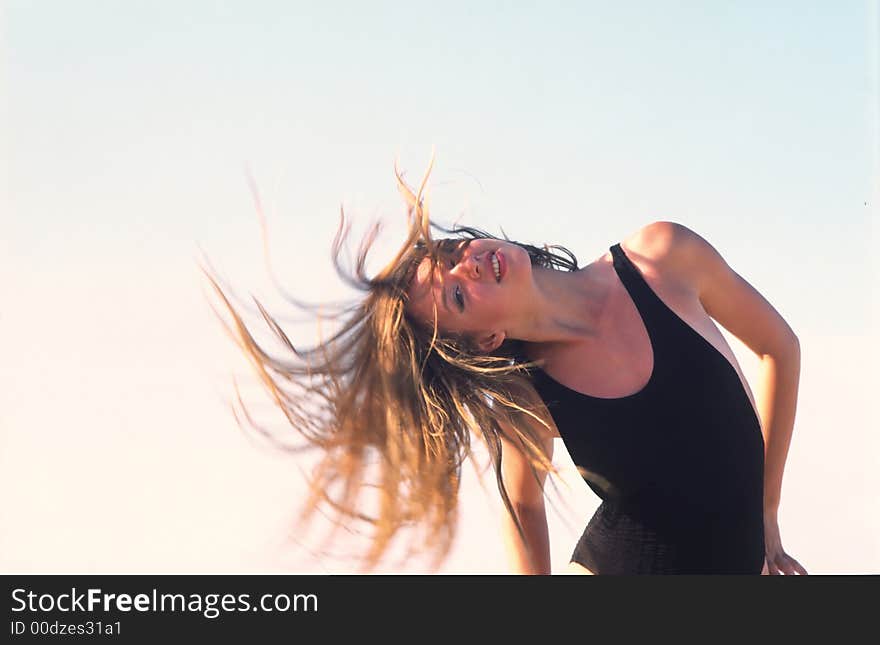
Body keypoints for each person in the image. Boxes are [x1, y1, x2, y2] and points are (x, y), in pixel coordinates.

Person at [204, 155, 807, 575]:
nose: (467, 266)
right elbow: (522, 502)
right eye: (458, 298)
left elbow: (779, 347)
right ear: (488, 338)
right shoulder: (529, 396)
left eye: (450, 259)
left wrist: (767, 508)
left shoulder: (663, 256)